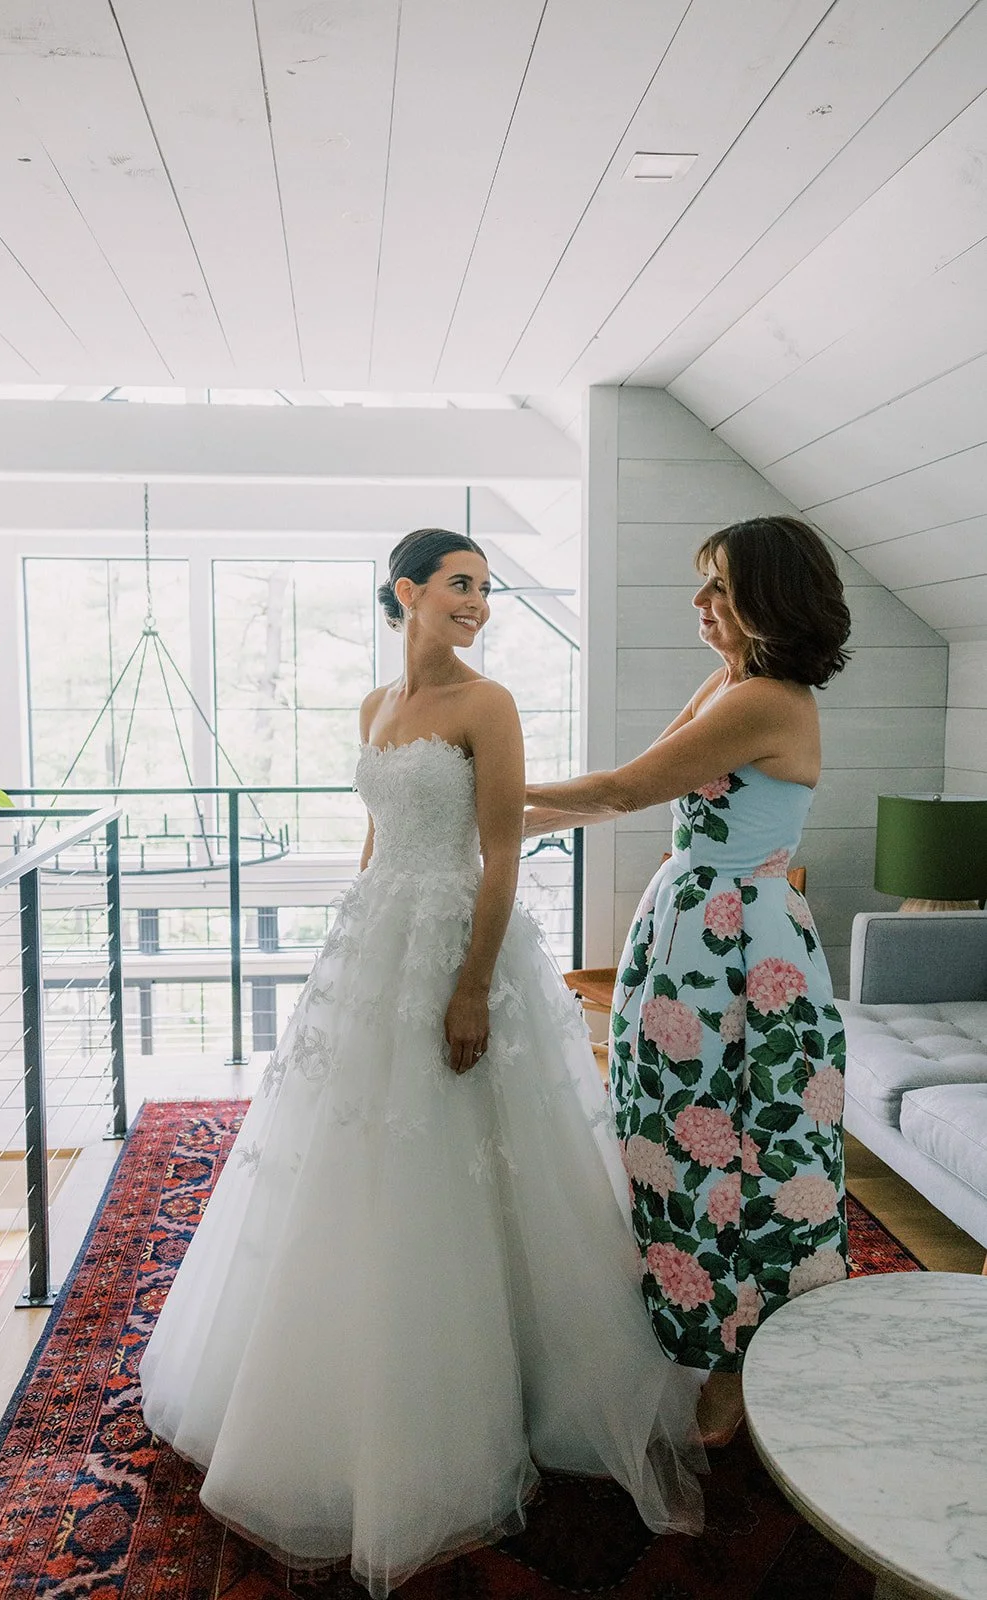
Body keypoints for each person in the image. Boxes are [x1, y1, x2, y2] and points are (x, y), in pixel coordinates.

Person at [139, 528, 705, 1599]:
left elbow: (499, 853)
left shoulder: (485, 706)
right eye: (458, 585)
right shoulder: (374, 706)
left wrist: (468, 984)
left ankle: (506, 1394)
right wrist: (349, 940)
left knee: (469, 1160)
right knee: (345, 1168)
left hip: (456, 940)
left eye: (484, 590)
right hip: (375, 943)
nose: (477, 604)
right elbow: (374, 841)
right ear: (404, 592)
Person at [524, 515, 852, 1450]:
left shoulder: (769, 701)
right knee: (672, 1125)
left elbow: (624, 792)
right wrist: (500, 816)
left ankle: (748, 1355)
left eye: (718, 587)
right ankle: (698, 1325)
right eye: (702, 585)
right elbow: (628, 785)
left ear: (766, 598)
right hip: (687, 930)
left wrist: (489, 801)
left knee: (748, 1133)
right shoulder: (732, 682)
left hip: (742, 946)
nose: (699, 604)